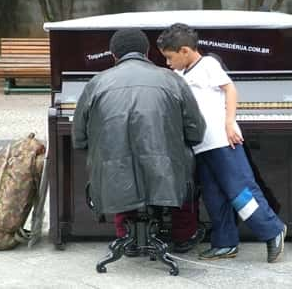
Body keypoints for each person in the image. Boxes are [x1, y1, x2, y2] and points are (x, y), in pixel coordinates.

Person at [156, 23, 287, 263]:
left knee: (240, 192)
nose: (167, 62)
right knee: (213, 196)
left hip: (221, 141)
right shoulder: (178, 74)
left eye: (169, 57)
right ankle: (225, 242)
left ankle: (273, 229)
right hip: (200, 146)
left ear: (185, 51)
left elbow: (230, 90)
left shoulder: (208, 65)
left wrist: (229, 122)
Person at [72, 28, 206, 254]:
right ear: (147, 52)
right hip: (164, 169)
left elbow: (78, 137)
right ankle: (183, 235)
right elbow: (196, 131)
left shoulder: (96, 82)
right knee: (181, 160)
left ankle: (126, 236)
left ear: (114, 55)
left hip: (114, 174)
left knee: (118, 162)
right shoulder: (172, 79)